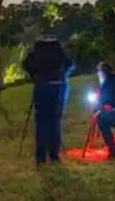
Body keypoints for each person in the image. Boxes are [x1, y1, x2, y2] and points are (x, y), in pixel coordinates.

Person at [21, 32, 74, 164]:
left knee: (41, 122)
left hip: (42, 87)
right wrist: (63, 76)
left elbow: (26, 65)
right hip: (57, 87)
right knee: (54, 121)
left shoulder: (36, 50)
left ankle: (40, 157)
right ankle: (54, 155)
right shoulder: (57, 48)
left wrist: (35, 77)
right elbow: (70, 64)